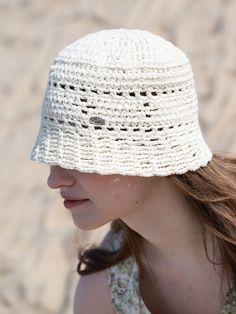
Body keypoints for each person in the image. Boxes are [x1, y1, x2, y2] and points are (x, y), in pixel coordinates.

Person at [30, 28, 236, 314]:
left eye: (81, 154)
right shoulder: (101, 296)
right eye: (55, 154)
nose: (55, 179)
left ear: (145, 146)